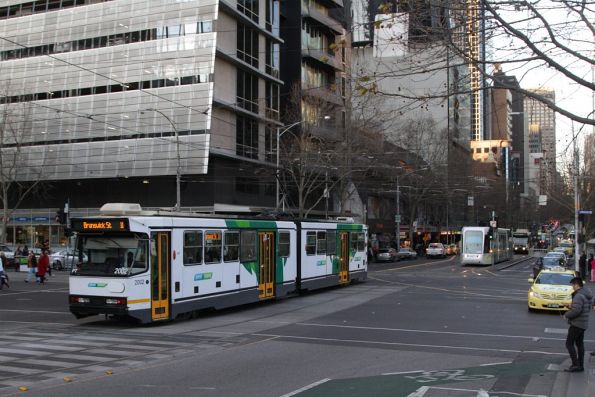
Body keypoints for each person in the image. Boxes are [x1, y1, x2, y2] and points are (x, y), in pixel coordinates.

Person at [563, 277, 593, 372]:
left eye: (572, 285)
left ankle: (575, 364)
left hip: (577, 323)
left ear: (576, 285)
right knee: (579, 344)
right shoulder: (586, 294)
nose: (572, 287)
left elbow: (576, 311)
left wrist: (566, 315)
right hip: (583, 323)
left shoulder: (579, 295)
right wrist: (570, 305)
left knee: (569, 344)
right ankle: (580, 365)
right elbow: (584, 307)